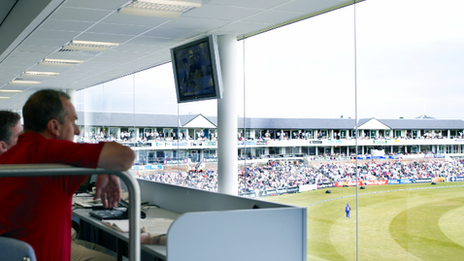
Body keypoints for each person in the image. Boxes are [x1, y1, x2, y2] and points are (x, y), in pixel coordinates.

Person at [0, 89, 135, 261]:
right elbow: (125, 157)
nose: (77, 131)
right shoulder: (49, 152)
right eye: (73, 122)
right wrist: (109, 168)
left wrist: (107, 169)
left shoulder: (10, 157)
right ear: (55, 127)